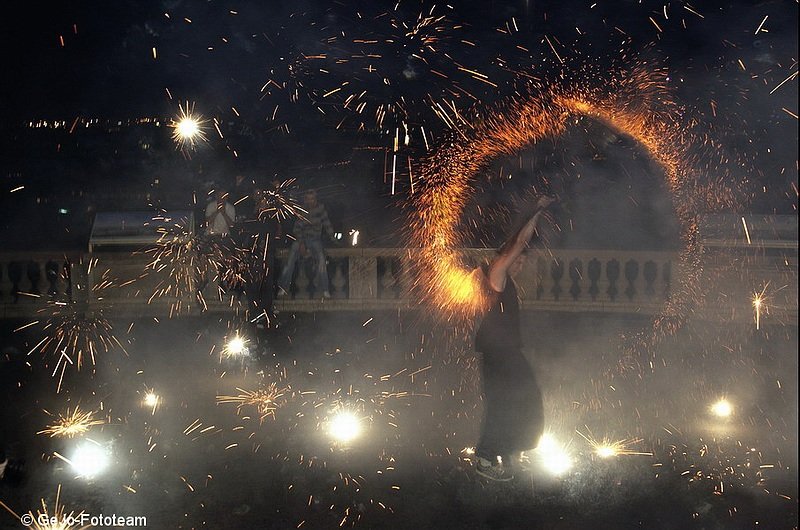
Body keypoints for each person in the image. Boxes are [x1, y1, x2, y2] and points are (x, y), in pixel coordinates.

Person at [473, 195, 555, 482]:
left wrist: (534, 214)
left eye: (522, 263)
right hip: (499, 354)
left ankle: (508, 452)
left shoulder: (501, 276)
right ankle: (485, 455)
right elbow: (518, 242)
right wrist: (537, 209)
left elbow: (518, 242)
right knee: (505, 402)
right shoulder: (496, 274)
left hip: (506, 352)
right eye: (516, 261)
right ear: (504, 258)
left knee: (521, 398)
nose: (519, 265)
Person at [277, 189, 335, 299]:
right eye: (308, 199)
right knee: (289, 261)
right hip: (302, 239)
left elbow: (327, 224)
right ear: (305, 200)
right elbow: (297, 228)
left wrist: (333, 239)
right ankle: (283, 287)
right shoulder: (302, 210)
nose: (310, 201)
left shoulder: (320, 209)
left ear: (315, 199)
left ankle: (325, 289)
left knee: (322, 261)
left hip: (315, 239)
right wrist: (301, 243)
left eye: (312, 199)